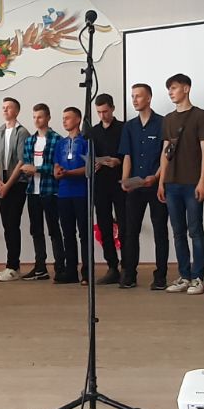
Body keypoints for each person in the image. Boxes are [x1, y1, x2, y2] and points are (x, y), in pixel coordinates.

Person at [158, 74, 204, 295]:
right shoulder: (168, 119)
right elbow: (165, 151)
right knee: (178, 231)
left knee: (195, 230)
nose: (170, 92)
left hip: (192, 183)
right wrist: (161, 181)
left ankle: (197, 277)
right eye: (169, 89)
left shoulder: (200, 116)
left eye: (174, 88)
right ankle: (184, 275)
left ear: (186, 88)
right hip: (171, 183)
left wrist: (203, 181)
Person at [119, 83, 169, 289]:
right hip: (135, 186)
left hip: (156, 185)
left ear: (149, 98)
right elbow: (127, 156)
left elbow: (166, 155)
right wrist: (125, 180)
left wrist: (156, 177)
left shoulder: (163, 123)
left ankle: (160, 276)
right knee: (131, 231)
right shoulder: (130, 126)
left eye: (138, 96)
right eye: (132, 96)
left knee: (160, 231)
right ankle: (129, 274)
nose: (134, 100)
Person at [20, 103, 63, 281]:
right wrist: (27, 170)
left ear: (48, 118)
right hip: (33, 191)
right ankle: (40, 267)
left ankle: (60, 267)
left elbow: (57, 168)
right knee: (36, 230)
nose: (37, 120)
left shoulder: (57, 139)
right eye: (34, 117)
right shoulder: (30, 141)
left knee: (54, 230)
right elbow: (26, 164)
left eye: (40, 117)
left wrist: (36, 169)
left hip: (50, 190)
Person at [0, 97, 30, 282]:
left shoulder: (22, 132)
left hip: (17, 182)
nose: (5, 110)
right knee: (6, 224)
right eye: (3, 107)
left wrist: (8, 185)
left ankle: (14, 266)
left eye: (9, 107)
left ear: (17, 111)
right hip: (2, 181)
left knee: (13, 223)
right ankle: (10, 265)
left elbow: (22, 161)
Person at [88, 93, 125, 285]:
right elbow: (88, 156)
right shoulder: (93, 132)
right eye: (99, 112)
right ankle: (112, 266)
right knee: (104, 225)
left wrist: (118, 161)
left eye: (105, 111)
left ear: (112, 108)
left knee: (124, 225)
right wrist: (94, 163)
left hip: (120, 183)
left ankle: (127, 266)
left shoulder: (123, 128)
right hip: (100, 184)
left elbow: (129, 154)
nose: (102, 115)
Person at [54, 106, 90, 285]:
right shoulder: (60, 143)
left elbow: (89, 168)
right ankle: (71, 271)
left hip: (81, 193)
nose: (64, 121)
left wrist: (68, 173)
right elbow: (56, 165)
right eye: (63, 118)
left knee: (84, 234)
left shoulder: (86, 142)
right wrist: (58, 172)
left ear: (78, 120)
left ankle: (87, 273)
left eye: (68, 118)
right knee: (67, 233)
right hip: (63, 193)